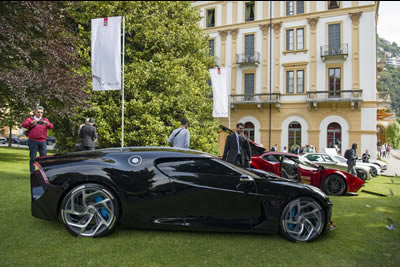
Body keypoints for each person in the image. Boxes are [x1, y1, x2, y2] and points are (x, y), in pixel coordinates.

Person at [21, 106, 53, 172]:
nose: (40, 114)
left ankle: (43, 171)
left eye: (41, 112)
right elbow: (23, 125)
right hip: (33, 140)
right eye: (38, 112)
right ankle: (32, 172)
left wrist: (48, 124)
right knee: (33, 157)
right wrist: (30, 123)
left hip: (43, 141)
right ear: (35, 112)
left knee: (43, 157)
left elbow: (51, 126)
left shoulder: (45, 120)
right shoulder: (30, 119)